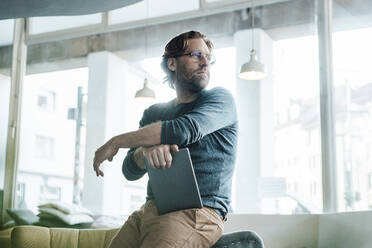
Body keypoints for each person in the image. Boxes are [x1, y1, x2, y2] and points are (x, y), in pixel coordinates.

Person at [93, 30, 238, 248]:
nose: (205, 63)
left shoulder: (220, 99)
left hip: (198, 212)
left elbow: (184, 129)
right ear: (172, 63)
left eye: (209, 57)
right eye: (196, 55)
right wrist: (145, 152)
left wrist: (116, 142)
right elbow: (129, 171)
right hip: (149, 209)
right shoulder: (153, 113)